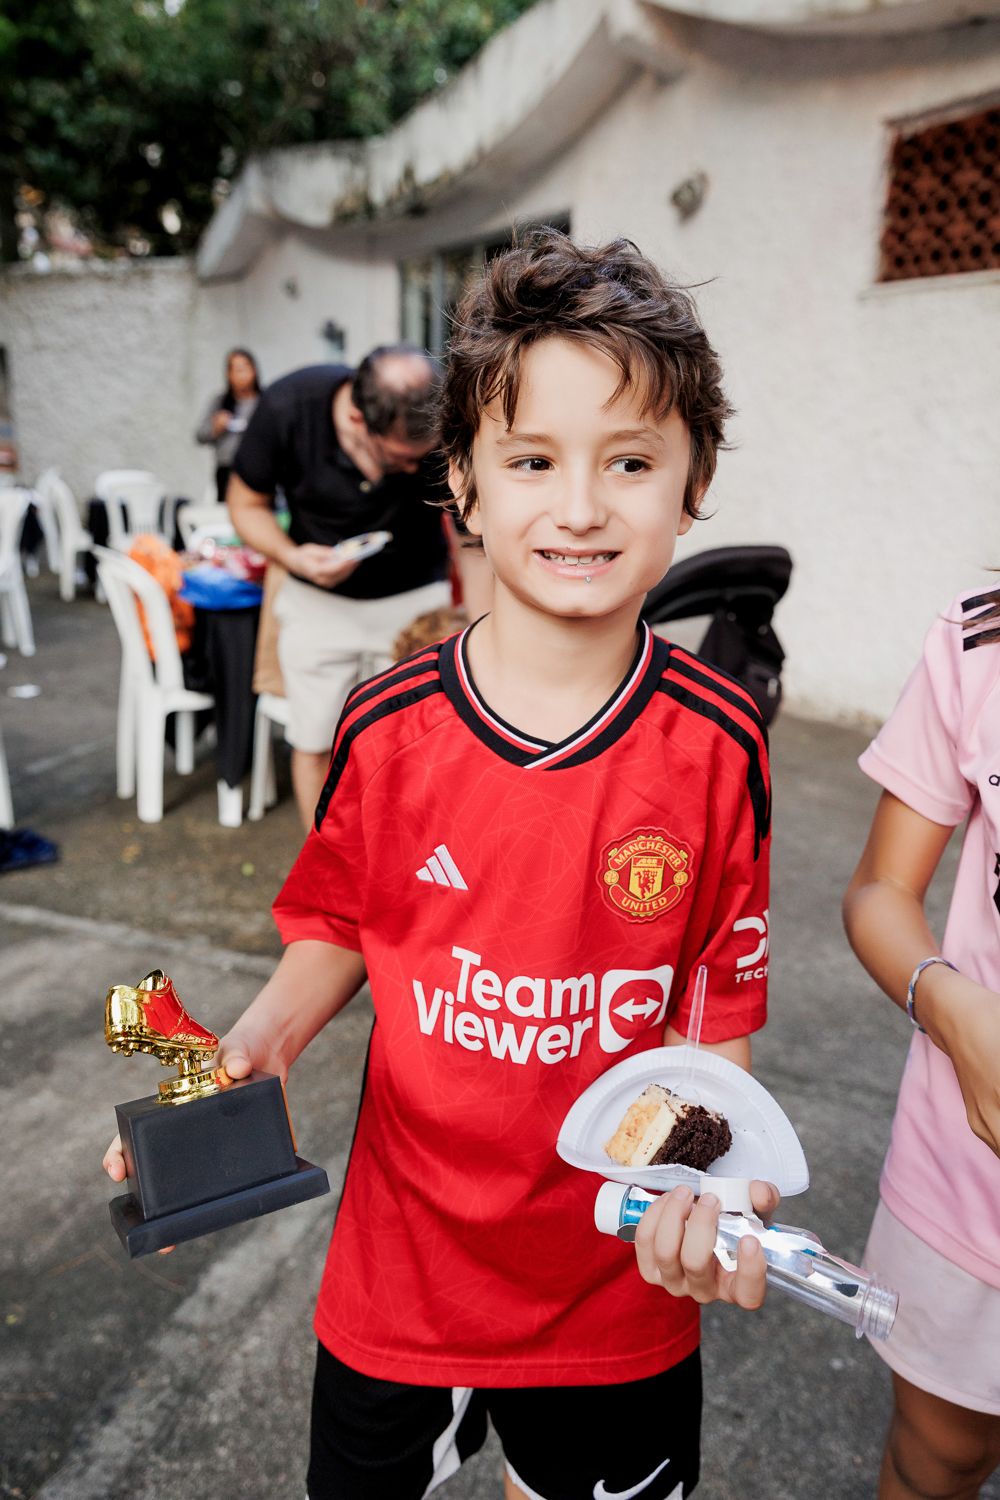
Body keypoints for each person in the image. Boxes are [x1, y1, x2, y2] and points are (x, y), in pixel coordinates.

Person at [105, 230, 777, 1499]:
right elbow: (346, 920)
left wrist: (720, 1189)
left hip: (609, 1295)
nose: (580, 507)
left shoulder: (720, 746)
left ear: (693, 486)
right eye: (531, 461)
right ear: (460, 482)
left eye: (629, 462)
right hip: (401, 1270)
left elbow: (713, 1017)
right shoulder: (384, 726)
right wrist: (260, 1044)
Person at [843, 592, 1000, 1498]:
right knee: (939, 1452)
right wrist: (958, 1015)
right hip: (967, 1179)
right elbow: (878, 893)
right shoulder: (979, 641)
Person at [225, 346, 452, 831]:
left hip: (417, 607)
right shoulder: (288, 408)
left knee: (420, 750)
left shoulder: (437, 422)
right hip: (318, 606)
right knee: (316, 743)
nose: (415, 470)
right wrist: (291, 557)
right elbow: (245, 505)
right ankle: (326, 874)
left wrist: (472, 612)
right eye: (398, 458)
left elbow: (469, 532)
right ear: (355, 416)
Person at [195, 348, 262, 507]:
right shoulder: (220, 402)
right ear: (228, 374)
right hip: (227, 470)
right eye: (236, 369)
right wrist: (216, 427)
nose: (241, 374)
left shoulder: (265, 401)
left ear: (254, 370)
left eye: (245, 367)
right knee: (227, 514)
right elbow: (200, 435)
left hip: (258, 468)